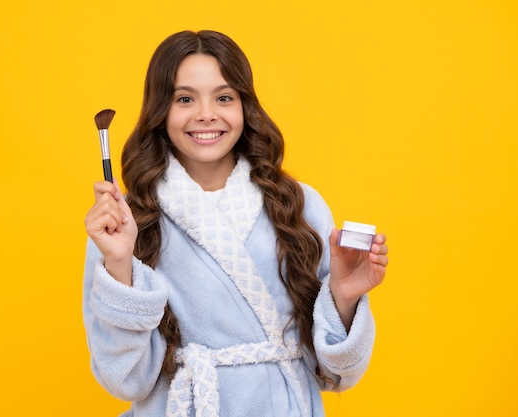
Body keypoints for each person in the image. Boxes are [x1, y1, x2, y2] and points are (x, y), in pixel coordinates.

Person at [83, 30, 389, 417]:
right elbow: (127, 380)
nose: (206, 113)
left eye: (224, 97)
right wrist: (119, 263)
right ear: (161, 110)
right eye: (184, 99)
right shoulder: (123, 224)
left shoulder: (299, 205)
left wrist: (343, 296)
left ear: (245, 105)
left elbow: (336, 373)